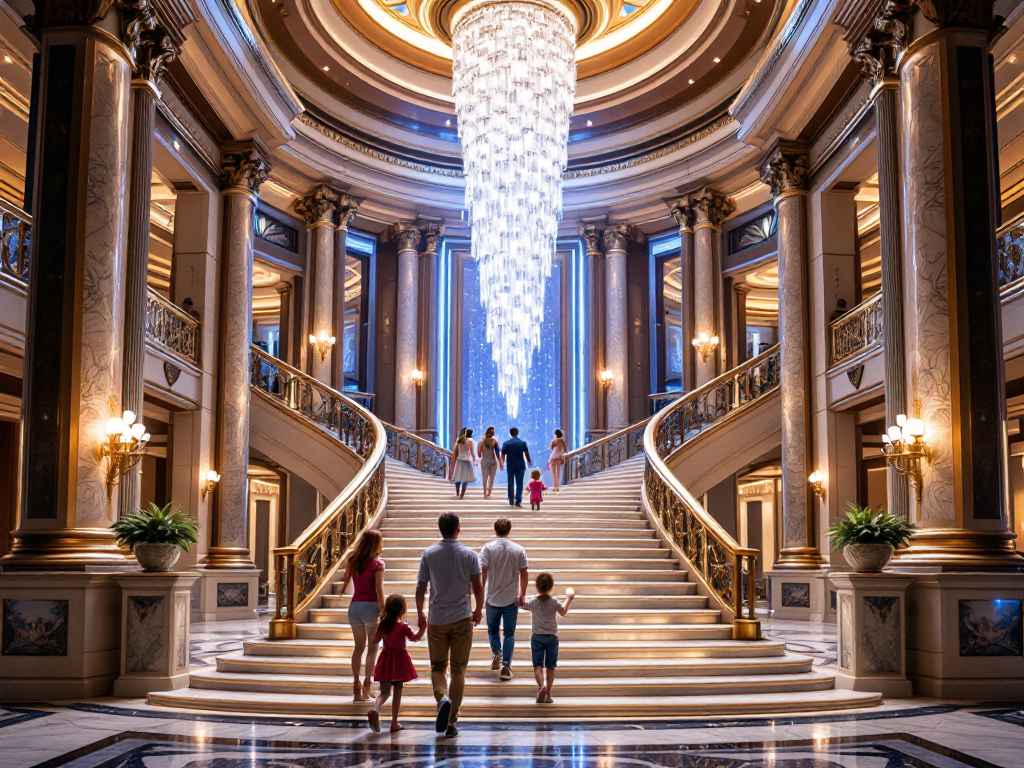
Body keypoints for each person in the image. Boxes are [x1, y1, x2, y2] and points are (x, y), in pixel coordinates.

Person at [416, 512, 485, 737]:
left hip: (437, 618)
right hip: (462, 618)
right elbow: (477, 587)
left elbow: (420, 588)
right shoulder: (469, 555)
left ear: (440, 529)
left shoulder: (429, 553)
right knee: (458, 670)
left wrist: (420, 614)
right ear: (458, 528)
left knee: (437, 667)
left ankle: (441, 698)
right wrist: (478, 610)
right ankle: (452, 721)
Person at [337, 529, 385, 702]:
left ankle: (356, 686)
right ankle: (367, 685)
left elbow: (346, 581)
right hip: (371, 608)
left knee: (358, 648)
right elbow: (379, 589)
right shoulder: (377, 564)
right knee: (372, 649)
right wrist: (383, 609)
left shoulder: (354, 561)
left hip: (355, 607)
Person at [367, 594, 426, 733]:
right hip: (399, 661)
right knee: (398, 691)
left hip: (386, 660)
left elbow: (374, 640)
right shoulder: (402, 626)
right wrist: (423, 628)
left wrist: (378, 628)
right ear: (402, 610)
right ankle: (394, 722)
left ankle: (375, 710)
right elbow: (415, 638)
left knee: (385, 693)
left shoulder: (384, 625)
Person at [479, 518, 528, 681]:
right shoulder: (519, 549)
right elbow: (524, 573)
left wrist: (481, 596)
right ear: (509, 530)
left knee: (492, 630)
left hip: (492, 597)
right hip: (511, 599)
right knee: (509, 633)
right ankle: (506, 665)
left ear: (495, 530)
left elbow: (483, 573)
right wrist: (523, 594)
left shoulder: (488, 548)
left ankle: (496, 653)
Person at [524, 572, 575, 704]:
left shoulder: (533, 602)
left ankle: (542, 687)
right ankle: (548, 695)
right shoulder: (554, 602)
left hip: (537, 637)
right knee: (550, 667)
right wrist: (569, 598)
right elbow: (563, 611)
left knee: (537, 666)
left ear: (537, 586)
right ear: (551, 587)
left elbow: (522, 605)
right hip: (552, 637)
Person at [501, 427, 532, 507]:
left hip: (510, 465)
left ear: (510, 433)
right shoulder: (522, 443)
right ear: (517, 433)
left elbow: (503, 454)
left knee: (510, 482)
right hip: (520, 465)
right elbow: (526, 453)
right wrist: (529, 461)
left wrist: (502, 464)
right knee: (519, 483)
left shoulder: (506, 443)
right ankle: (518, 501)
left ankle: (511, 499)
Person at [449, 428, 477, 499]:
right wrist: (474, 460)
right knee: (466, 479)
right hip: (467, 460)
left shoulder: (459, 440)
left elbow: (456, 451)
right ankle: (461, 495)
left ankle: (457, 492)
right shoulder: (471, 440)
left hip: (459, 459)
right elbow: (471, 452)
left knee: (458, 476)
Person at [478, 426, 502, 499]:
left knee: (484, 478)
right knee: (492, 478)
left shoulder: (481, 442)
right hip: (493, 462)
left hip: (484, 461)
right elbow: (497, 453)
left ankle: (485, 494)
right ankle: (489, 493)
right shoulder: (495, 441)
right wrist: (500, 463)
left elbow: (479, 454)